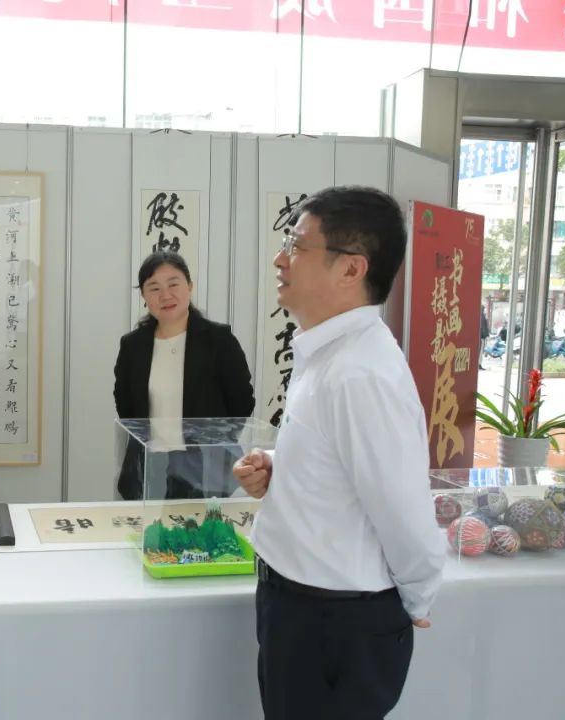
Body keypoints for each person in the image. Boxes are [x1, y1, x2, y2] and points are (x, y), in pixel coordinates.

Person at [233, 186, 446, 720]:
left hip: (333, 624)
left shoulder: (359, 373)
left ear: (351, 268)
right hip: (301, 610)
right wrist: (282, 468)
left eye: (297, 246)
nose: (280, 259)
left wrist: (417, 596)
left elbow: (403, 510)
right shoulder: (328, 352)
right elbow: (346, 466)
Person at [113, 251, 255, 500]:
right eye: (154, 288)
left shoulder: (219, 340)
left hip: (204, 465)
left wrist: (214, 443)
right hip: (148, 461)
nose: (165, 295)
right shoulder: (133, 345)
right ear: (144, 296)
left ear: (189, 286)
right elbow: (125, 405)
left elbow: (241, 402)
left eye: (173, 284)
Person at [480, 305, 489, 370]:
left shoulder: (479, 315)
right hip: (481, 337)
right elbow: (483, 327)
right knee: (480, 351)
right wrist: (485, 335)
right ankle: (479, 364)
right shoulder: (482, 316)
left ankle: (478, 364)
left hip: (479, 336)